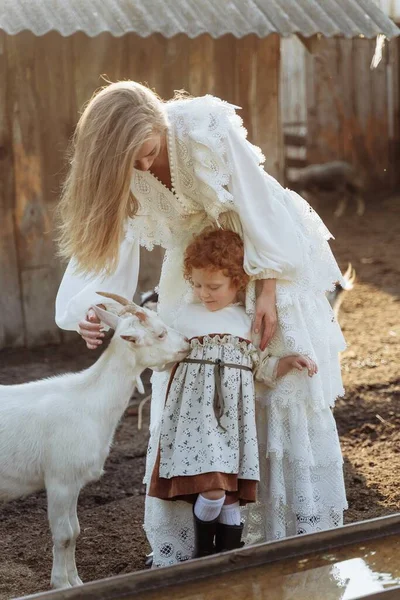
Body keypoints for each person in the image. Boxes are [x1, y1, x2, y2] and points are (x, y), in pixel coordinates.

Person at [55, 81, 347, 567]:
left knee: (274, 377)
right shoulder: (121, 167)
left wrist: (268, 290)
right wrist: (91, 312)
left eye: (147, 152)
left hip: (260, 250)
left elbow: (258, 206)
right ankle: (201, 532)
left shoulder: (202, 127)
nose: (144, 168)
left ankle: (282, 532)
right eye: (133, 162)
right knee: (191, 383)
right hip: (197, 269)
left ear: (159, 125)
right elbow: (110, 249)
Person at [148, 229, 317, 557]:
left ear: (237, 282)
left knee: (229, 496)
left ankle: (225, 563)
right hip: (195, 420)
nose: (204, 294)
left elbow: (260, 368)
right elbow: (161, 355)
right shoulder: (184, 319)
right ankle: (202, 555)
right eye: (197, 285)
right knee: (212, 491)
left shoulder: (245, 322)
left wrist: (286, 362)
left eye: (213, 287)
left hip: (233, 422)